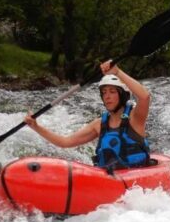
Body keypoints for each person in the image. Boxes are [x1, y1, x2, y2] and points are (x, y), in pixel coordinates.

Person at [24, 60, 152, 169]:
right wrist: (36, 127)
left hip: (135, 181)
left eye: (112, 92)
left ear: (123, 95)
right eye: (104, 93)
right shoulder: (99, 124)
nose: (107, 97)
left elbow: (144, 97)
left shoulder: (135, 118)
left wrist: (117, 72)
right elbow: (65, 142)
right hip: (107, 179)